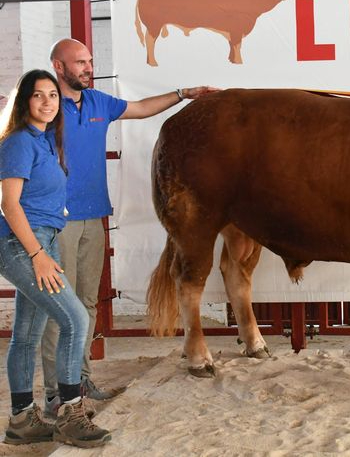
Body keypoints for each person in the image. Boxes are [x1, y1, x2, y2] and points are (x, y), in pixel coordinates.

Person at [39, 38, 218, 416]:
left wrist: (183, 94)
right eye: (80, 62)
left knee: (87, 302)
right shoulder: (43, 106)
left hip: (93, 215)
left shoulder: (97, 102)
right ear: (58, 66)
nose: (89, 67)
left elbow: (139, 108)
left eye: (90, 60)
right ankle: (56, 394)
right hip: (55, 220)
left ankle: (80, 380)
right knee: (59, 306)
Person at [1, 69, 111, 447]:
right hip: (22, 244)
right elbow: (9, 204)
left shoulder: (46, 140)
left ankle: (21, 420)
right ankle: (69, 412)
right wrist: (37, 255)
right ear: (24, 101)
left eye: (52, 95)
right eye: (38, 95)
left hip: (43, 240)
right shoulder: (19, 142)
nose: (47, 102)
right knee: (76, 319)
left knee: (27, 336)